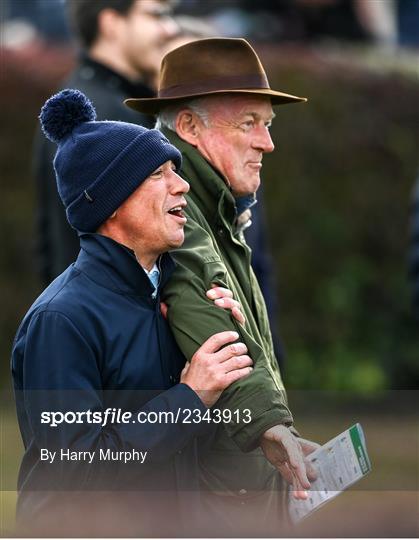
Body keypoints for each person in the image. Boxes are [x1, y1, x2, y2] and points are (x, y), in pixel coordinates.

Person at [12, 89, 254, 537]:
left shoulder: (176, 297)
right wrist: (189, 397)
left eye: (176, 172)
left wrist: (227, 352)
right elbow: (77, 469)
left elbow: (181, 447)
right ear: (112, 202)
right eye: (159, 174)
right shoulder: (60, 320)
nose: (181, 185)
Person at [126, 38, 318, 536]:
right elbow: (206, 317)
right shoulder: (179, 210)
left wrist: (280, 429)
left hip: (233, 486)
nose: (267, 143)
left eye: (268, 124)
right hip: (216, 502)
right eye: (248, 123)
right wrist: (269, 424)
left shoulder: (218, 209)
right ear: (189, 127)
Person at [33, 0, 178, 286]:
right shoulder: (102, 121)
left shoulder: (86, 101)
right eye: (155, 15)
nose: (169, 29)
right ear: (111, 23)